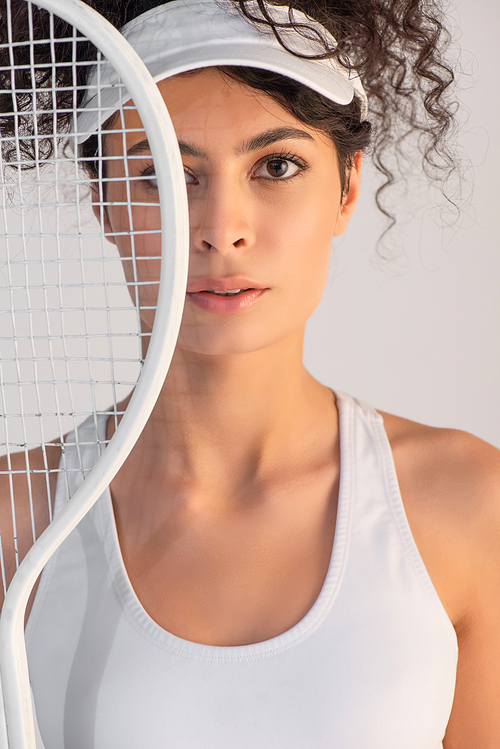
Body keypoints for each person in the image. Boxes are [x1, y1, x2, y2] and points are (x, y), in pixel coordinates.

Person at [1, 0, 500, 747]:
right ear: (102, 199)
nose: (221, 227)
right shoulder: (16, 517)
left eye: (276, 165)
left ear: (347, 186)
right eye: (163, 174)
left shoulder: (469, 503)